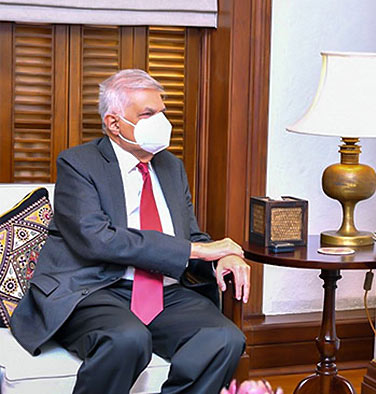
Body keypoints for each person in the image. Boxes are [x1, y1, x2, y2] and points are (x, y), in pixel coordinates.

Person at [11, 69, 250, 394]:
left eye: (162, 112)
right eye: (148, 114)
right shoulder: (78, 164)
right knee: (128, 339)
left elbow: (190, 236)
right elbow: (97, 239)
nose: (161, 122)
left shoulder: (171, 167)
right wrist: (195, 251)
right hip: (95, 289)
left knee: (225, 338)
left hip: (165, 292)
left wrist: (223, 257)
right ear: (114, 123)